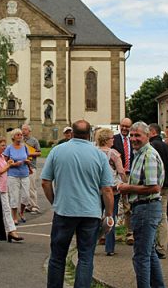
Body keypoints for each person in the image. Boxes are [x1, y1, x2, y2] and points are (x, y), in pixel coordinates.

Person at [42, 119, 114, 288]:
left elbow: (45, 182)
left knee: (57, 257)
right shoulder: (99, 155)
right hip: (90, 213)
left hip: (64, 211)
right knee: (86, 257)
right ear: (90, 134)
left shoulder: (57, 151)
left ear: (72, 133)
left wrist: (55, 201)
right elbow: (107, 189)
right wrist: (109, 214)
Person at [117, 121, 166, 288]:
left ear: (147, 135)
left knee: (141, 256)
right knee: (150, 253)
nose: (133, 138)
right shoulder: (139, 154)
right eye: (131, 135)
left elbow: (154, 187)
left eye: (137, 135)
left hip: (147, 207)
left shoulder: (148, 155)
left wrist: (127, 188)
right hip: (143, 207)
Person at [95, 127, 124, 256]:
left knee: (95, 218)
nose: (113, 140)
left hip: (96, 189)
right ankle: (110, 247)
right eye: (112, 138)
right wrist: (125, 182)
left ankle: (91, 244)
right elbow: (121, 171)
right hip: (111, 190)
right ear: (106, 140)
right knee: (110, 216)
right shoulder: (113, 154)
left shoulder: (93, 152)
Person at [149, 123, 168, 258]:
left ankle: (153, 245)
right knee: (163, 216)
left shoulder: (151, 146)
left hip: (155, 185)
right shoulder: (166, 147)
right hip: (167, 185)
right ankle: (163, 247)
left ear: (152, 132)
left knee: (153, 215)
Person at [0, 137, 23, 242]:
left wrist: (8, 164)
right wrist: (9, 165)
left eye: (5, 145)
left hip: (3, 187)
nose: (4, 147)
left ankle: (11, 231)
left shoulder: (1, 157)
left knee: (6, 209)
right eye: (2, 145)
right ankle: (9, 231)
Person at [112, 117, 134, 245]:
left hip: (130, 175)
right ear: (119, 126)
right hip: (116, 176)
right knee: (111, 204)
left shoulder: (133, 140)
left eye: (127, 126)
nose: (125, 128)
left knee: (128, 205)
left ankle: (130, 233)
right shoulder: (114, 139)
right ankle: (108, 233)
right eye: (123, 126)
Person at [4, 128, 31, 225]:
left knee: (26, 196)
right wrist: (12, 164)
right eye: (18, 135)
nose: (20, 136)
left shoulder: (25, 147)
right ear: (13, 137)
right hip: (13, 175)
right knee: (14, 197)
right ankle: (14, 216)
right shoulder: (9, 148)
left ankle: (22, 212)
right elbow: (4, 161)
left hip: (25, 174)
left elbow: (27, 158)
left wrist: (28, 163)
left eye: (21, 135)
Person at [22, 123, 42, 214]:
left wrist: (28, 153)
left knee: (32, 187)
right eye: (22, 129)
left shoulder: (34, 141)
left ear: (29, 131)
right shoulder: (20, 141)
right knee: (25, 188)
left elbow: (39, 153)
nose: (23, 131)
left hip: (31, 167)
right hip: (21, 167)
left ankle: (34, 206)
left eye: (25, 129)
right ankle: (28, 205)